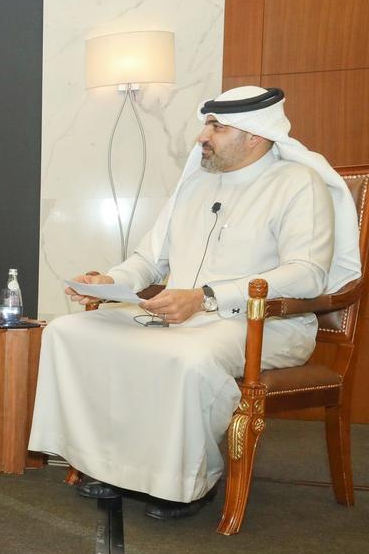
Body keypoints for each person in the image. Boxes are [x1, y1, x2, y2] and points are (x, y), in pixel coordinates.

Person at [28, 86, 361, 519]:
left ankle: (185, 483)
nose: (202, 136)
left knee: (187, 358)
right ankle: (110, 465)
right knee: (69, 331)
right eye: (207, 125)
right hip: (179, 317)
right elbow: (150, 260)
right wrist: (108, 281)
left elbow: (307, 273)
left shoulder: (298, 184)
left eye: (216, 128)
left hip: (266, 325)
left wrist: (206, 298)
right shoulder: (195, 184)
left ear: (255, 136)